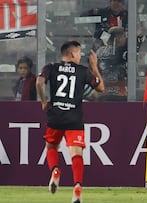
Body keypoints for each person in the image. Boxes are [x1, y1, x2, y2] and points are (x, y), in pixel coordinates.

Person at [36, 41, 104, 203]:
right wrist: (94, 66)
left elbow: (39, 82)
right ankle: (77, 187)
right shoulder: (83, 71)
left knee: (51, 146)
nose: (80, 56)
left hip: (56, 115)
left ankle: (55, 170)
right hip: (74, 117)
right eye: (79, 53)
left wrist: (44, 101)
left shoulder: (51, 67)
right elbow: (101, 88)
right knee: (76, 153)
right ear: (73, 54)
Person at [94, 27, 144, 100]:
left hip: (103, 87)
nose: (125, 39)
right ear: (118, 38)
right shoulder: (121, 51)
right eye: (124, 36)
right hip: (120, 89)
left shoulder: (100, 50)